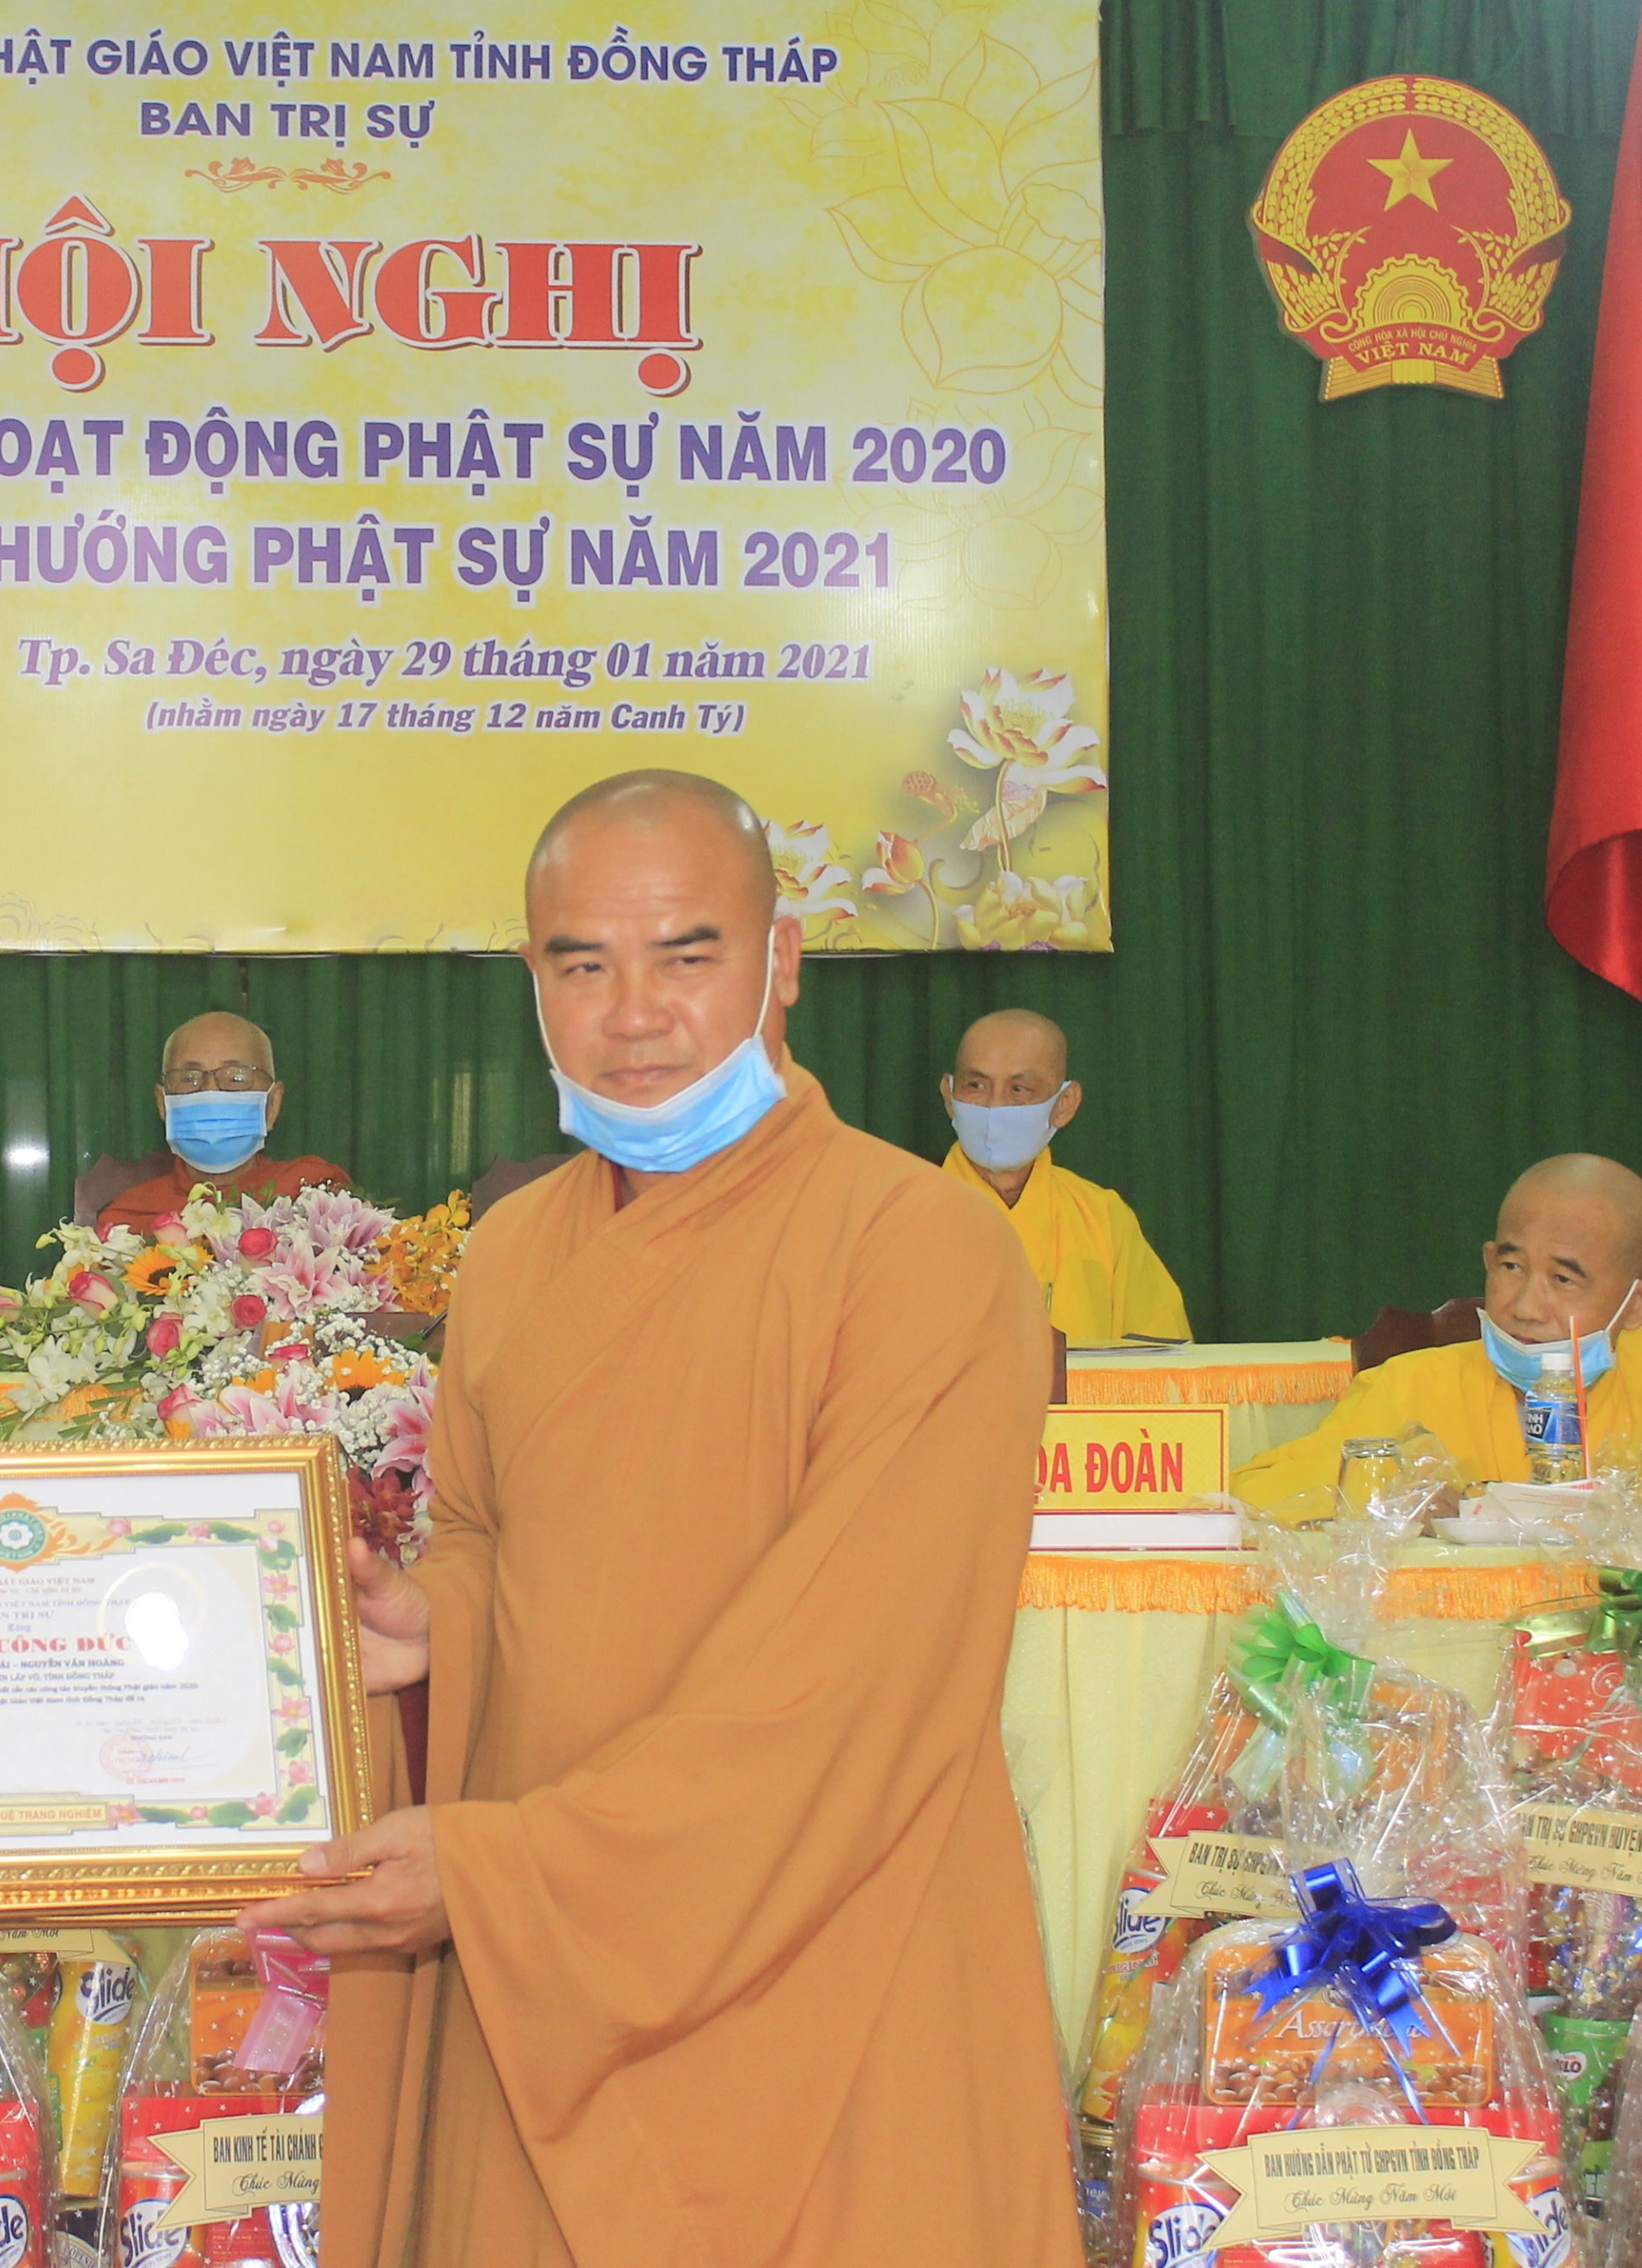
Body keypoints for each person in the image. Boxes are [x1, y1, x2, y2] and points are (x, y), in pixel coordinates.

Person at [250, 770, 1078, 2267]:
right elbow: (494, 1541)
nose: (632, 1016)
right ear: (532, 979)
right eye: (582, 965)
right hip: (544, 1991)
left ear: (781, 960)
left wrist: (502, 1876)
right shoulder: (513, 1253)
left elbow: (854, 1684)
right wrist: (431, 1619)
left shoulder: (923, 1251)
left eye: (685, 956)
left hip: (826, 1948)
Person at [1234, 1152, 1642, 1524]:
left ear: (1637, 1306)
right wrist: (1389, 1495)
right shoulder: (1410, 1384)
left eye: (1564, 1280)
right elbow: (1257, 1490)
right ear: (1489, 1260)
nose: (1526, 1307)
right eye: (1512, 1267)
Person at [938, 1007, 1192, 1345]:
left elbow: (1160, 1355)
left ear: (1064, 1104)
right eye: (976, 1085)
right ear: (949, 1096)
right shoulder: (898, 1216)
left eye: (1019, 1089)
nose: (994, 1106)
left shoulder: (1103, 1219)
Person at [92, 1009, 353, 1236]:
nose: (210, 1092)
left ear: (273, 1103)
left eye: (236, 1078)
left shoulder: (312, 1193)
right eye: (189, 1078)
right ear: (163, 1103)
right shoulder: (126, 1222)